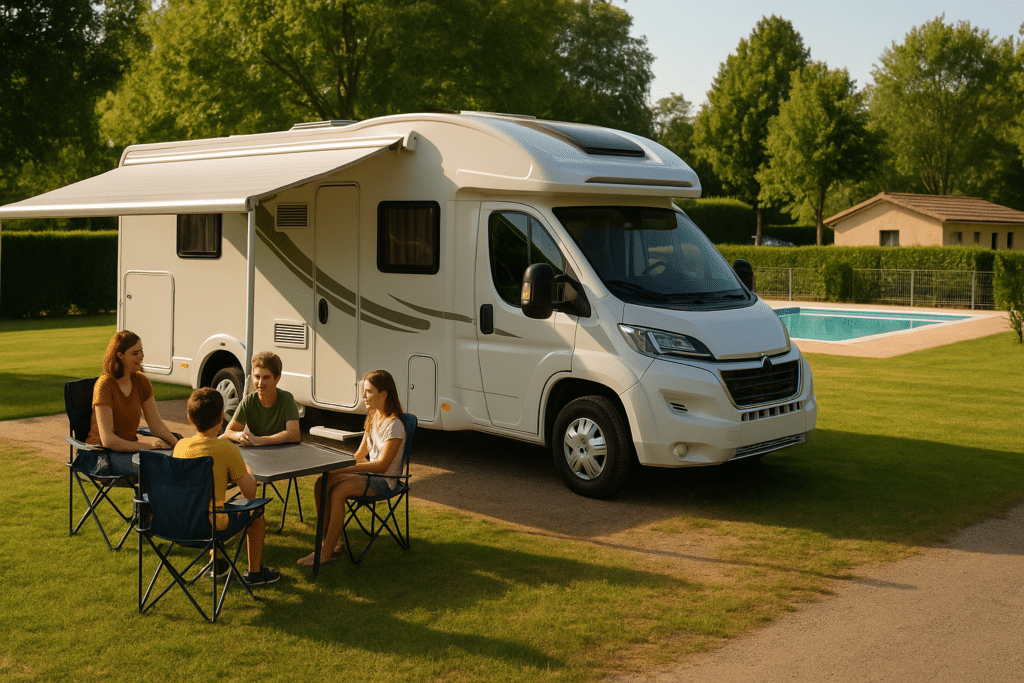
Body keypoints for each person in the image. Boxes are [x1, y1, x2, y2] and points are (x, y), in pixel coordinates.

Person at [297, 369, 406, 567]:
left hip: (384, 483)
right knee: (322, 483)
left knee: (339, 490)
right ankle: (328, 544)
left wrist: (340, 470)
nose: (363, 396)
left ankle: (325, 554)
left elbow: (382, 466)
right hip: (367, 476)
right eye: (364, 391)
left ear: (383, 394)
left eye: (368, 391)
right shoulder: (373, 417)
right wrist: (332, 466)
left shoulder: (395, 426)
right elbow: (358, 456)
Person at [174, 387, 281, 586]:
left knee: (215, 504)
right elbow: (250, 492)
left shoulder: (180, 447)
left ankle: (218, 564)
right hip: (212, 526)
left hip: (179, 523)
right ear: (221, 416)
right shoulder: (225, 449)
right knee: (256, 511)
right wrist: (247, 469)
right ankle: (255, 573)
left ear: (189, 417)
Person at [86, 331, 180, 475]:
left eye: (141, 351)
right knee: (158, 467)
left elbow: (156, 424)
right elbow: (108, 441)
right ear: (120, 356)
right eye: (135, 353)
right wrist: (149, 446)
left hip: (130, 451)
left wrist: (178, 445)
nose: (141, 356)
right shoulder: (104, 385)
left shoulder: (141, 381)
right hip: (101, 456)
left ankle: (152, 498)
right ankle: (148, 498)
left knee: (176, 460)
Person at [220, 351, 300, 447]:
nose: (260, 383)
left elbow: (294, 434)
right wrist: (240, 436)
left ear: (277, 379)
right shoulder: (249, 401)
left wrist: (260, 440)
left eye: (266, 377)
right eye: (257, 377)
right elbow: (229, 432)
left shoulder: (286, 399)